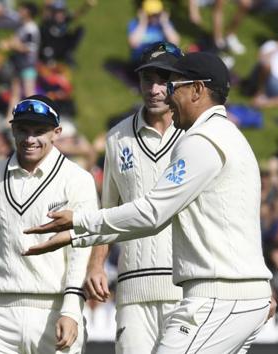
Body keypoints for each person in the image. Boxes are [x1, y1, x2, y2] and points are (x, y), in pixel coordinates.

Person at [24, 52, 276, 354]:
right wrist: (80, 236)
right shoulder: (230, 135)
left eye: (174, 87)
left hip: (219, 298)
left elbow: (153, 213)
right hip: (233, 296)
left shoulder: (202, 140)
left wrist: (80, 221)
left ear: (197, 89)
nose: (168, 96)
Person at [0, 95, 98, 353]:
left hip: (54, 312)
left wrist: (71, 311)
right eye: (23, 130)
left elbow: (81, 252)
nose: (30, 139)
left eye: (39, 131)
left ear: (56, 133)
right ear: (12, 129)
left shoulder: (78, 180)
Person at [84, 41, 184, 354]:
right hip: (133, 289)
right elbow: (108, 210)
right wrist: (96, 266)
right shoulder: (116, 137)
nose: (154, 89)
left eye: (163, 79)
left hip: (188, 289)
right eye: (147, 79)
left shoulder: (198, 136)